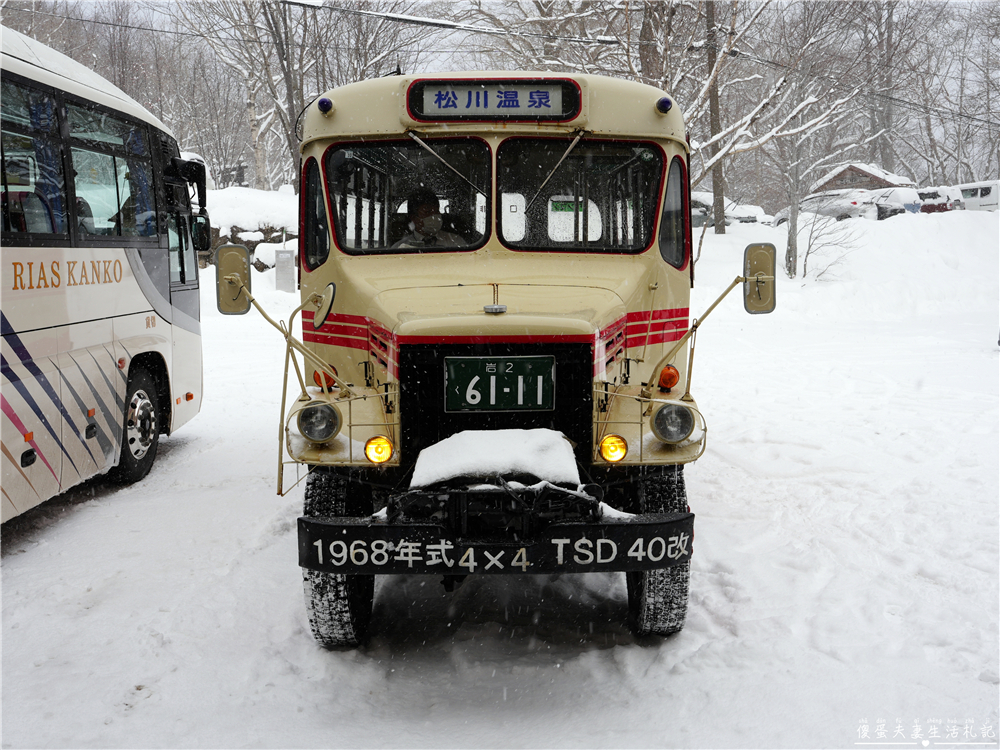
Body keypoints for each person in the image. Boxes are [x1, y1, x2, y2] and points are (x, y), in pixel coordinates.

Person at [392, 188, 464, 249]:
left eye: (437, 211)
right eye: (427, 212)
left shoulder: (455, 242)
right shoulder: (400, 248)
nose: (434, 216)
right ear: (414, 218)